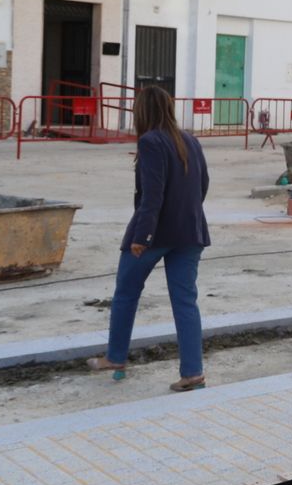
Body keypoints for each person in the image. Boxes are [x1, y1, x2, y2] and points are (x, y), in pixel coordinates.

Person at [87, 86, 211, 392]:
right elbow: (203, 185)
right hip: (190, 232)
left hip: (154, 234)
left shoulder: (150, 141)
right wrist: (185, 214)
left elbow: (152, 195)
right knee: (185, 301)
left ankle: (116, 357)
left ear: (141, 111)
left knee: (125, 293)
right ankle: (193, 373)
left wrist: (142, 236)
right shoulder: (191, 140)